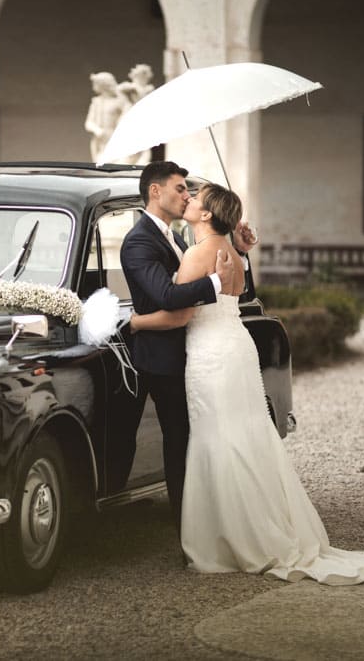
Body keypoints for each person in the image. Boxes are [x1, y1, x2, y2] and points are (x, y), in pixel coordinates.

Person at [131, 183, 364, 585]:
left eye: (196, 197)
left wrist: (135, 322)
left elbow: (177, 314)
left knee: (217, 438)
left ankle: (231, 536)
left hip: (211, 355)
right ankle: (257, 524)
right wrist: (240, 249)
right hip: (237, 349)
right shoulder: (235, 258)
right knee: (247, 435)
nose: (188, 198)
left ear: (207, 214)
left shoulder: (197, 253)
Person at [119, 161, 235, 535]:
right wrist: (216, 282)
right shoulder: (139, 241)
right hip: (160, 357)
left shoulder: (176, 237)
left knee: (188, 437)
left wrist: (236, 253)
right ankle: (184, 525)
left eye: (188, 191)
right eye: (180, 188)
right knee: (178, 439)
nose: (187, 195)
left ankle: (195, 519)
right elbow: (168, 297)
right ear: (156, 191)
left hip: (189, 351)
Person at [85, 72, 129, 163]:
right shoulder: (96, 102)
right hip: (101, 139)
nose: (94, 86)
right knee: (101, 163)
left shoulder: (119, 101)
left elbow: (128, 115)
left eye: (96, 83)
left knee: (118, 163)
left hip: (115, 137)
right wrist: (97, 130)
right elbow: (89, 122)